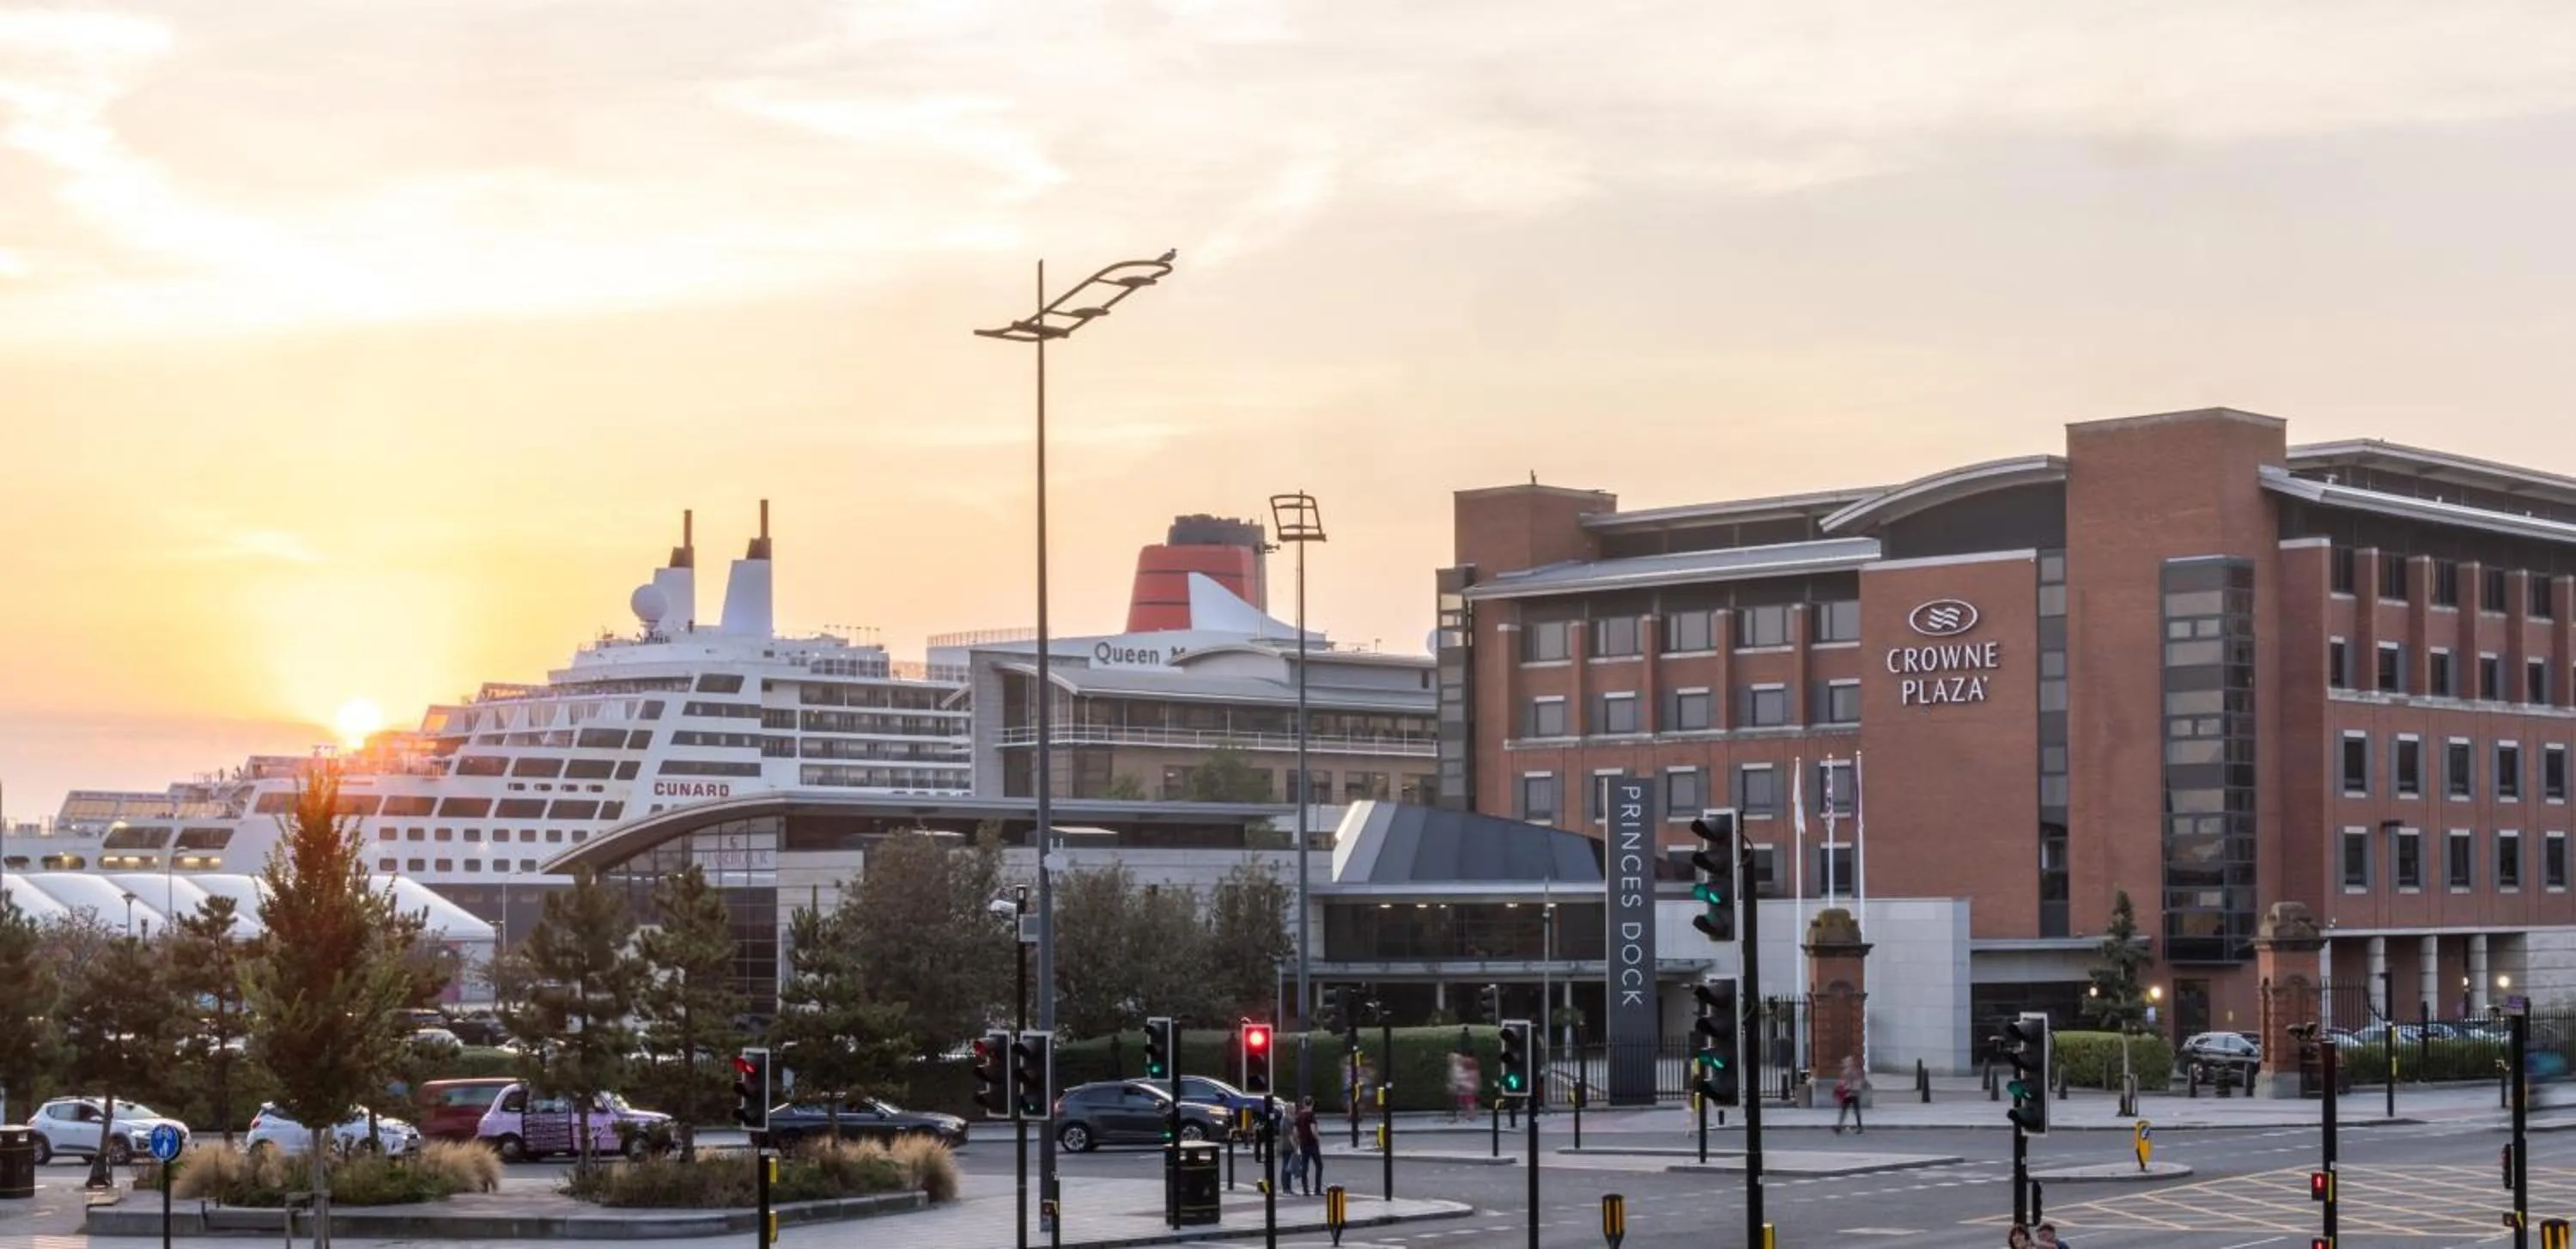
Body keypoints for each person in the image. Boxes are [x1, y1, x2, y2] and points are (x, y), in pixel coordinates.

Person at [1293, 1096, 1324, 1195]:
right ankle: (1317, 1189)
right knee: (1319, 1166)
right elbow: (1313, 1129)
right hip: (1312, 1143)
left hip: (1303, 1143)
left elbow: (1295, 1131)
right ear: (1312, 1104)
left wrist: (1298, 1140)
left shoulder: (1299, 1115)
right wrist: (1317, 1139)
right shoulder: (1311, 1115)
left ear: (1303, 1103)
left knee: (1305, 1167)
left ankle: (1305, 1190)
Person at [1832, 1054, 1865, 1135]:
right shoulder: (1844, 1072)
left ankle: (1859, 1127)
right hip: (1846, 1094)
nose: (1846, 1063)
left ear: (1851, 1063)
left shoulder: (1855, 1072)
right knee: (1843, 1111)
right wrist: (1839, 1087)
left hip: (1853, 1094)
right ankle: (1839, 1127)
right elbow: (1842, 1082)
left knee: (1856, 1111)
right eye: (1846, 1062)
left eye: (1848, 1062)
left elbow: (1858, 1082)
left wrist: (1851, 1090)